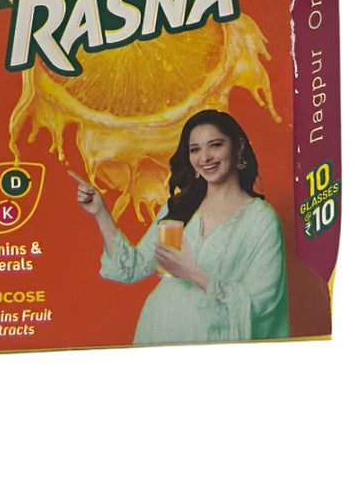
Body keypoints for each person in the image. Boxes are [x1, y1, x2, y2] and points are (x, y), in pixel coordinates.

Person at [72, 110, 289, 345]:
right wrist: (100, 212)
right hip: (157, 331)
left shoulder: (261, 220)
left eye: (215, 145)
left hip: (212, 340)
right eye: (195, 150)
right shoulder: (177, 207)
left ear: (238, 148)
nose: (204, 157)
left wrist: (192, 272)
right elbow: (132, 269)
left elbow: (263, 302)